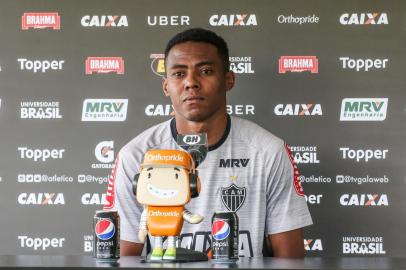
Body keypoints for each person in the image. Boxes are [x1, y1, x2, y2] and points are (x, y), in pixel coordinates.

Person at [105, 28, 312, 258]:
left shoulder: (267, 151)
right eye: (178, 74)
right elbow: (125, 257)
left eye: (205, 71)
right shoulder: (136, 155)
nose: (191, 82)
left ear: (229, 80)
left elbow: (290, 259)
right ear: (166, 86)